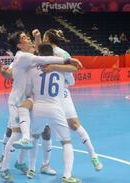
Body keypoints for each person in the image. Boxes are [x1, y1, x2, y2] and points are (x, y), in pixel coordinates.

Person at [0, 31, 81, 183]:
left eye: (27, 36)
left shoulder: (29, 57)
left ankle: (22, 162)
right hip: (17, 101)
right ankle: (4, 168)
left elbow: (40, 53)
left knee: (32, 134)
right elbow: (43, 58)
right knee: (16, 133)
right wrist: (69, 59)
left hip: (29, 99)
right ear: (19, 45)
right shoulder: (23, 56)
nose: (27, 38)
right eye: (24, 38)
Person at [41, 29, 103, 171]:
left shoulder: (62, 54)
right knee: (46, 130)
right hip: (46, 96)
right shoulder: (41, 53)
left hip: (61, 94)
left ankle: (93, 155)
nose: (43, 39)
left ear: (49, 39)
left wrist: (56, 69)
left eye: (44, 36)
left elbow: (72, 75)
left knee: (74, 124)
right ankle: (45, 164)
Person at [27, 43, 81, 183]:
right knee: (66, 142)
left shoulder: (33, 69)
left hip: (38, 107)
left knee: (34, 137)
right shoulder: (61, 69)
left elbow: (29, 90)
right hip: (55, 108)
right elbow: (75, 68)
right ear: (53, 55)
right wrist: (58, 64)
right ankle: (67, 176)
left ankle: (31, 168)